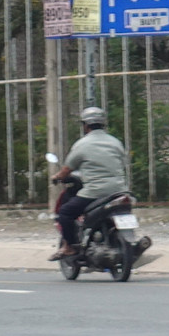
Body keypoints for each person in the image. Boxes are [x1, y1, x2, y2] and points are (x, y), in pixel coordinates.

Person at [49, 107, 129, 261]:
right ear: (103, 124)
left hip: (94, 192)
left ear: (85, 125)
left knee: (65, 213)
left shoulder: (82, 144)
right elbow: (122, 163)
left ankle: (70, 247)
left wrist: (57, 177)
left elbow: (66, 170)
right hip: (119, 191)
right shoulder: (116, 142)